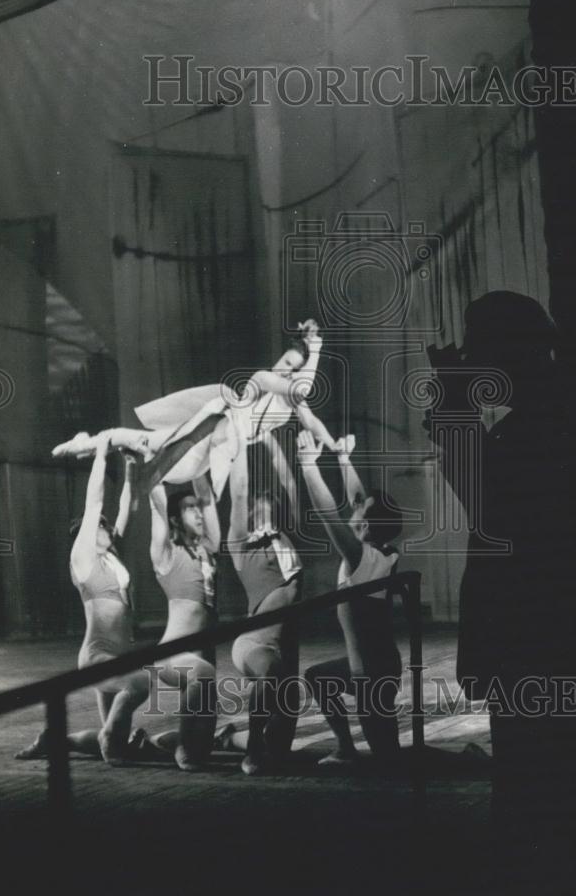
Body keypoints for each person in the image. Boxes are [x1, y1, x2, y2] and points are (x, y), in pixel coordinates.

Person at [427, 291, 576, 817]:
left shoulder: (537, 426)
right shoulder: (545, 414)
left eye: (478, 351)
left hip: (533, 635)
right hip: (542, 635)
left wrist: (455, 413)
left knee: (531, 787)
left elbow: (492, 512)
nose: (470, 363)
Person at [52, 320, 339, 498]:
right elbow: (301, 387)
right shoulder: (266, 378)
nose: (283, 368)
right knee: (147, 448)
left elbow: (311, 421)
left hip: (218, 448)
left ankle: (90, 444)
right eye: (284, 361)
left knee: (157, 457)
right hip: (213, 426)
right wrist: (315, 345)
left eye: (291, 367)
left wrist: (332, 445)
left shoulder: (292, 401)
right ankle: (85, 444)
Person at [16, 433, 149, 765]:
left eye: (104, 527)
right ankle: (109, 741)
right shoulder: (83, 560)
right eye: (99, 528)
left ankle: (56, 740)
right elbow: (95, 504)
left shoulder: (111, 558)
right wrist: (101, 453)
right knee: (139, 687)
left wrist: (131, 466)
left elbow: (128, 507)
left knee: (111, 732)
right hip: (97, 655)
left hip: (120, 654)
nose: (105, 528)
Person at [298, 430, 404, 766]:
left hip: (373, 671)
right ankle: (345, 747)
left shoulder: (363, 557)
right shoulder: (377, 551)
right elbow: (359, 499)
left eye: (362, 511)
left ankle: (467, 762)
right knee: (319, 677)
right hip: (371, 665)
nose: (355, 508)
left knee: (389, 757)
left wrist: (308, 466)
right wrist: (345, 460)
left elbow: (329, 512)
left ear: (369, 526)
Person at [223, 437, 304, 775]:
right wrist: (240, 441)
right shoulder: (241, 548)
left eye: (270, 508)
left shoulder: (286, 540)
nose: (265, 512)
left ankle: (230, 740)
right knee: (271, 678)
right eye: (259, 509)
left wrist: (271, 442)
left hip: (285, 647)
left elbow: (289, 485)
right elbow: (239, 492)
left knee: (283, 742)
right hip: (255, 644)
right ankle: (252, 745)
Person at [148, 473, 220, 771]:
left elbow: (207, 496)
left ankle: (157, 743)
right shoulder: (167, 555)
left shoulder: (207, 551)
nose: (198, 511)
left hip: (203, 659)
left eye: (197, 507)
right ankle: (181, 746)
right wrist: (156, 468)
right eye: (189, 508)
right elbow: (158, 506)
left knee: (205, 742)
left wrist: (201, 458)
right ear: (175, 520)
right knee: (203, 674)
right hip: (172, 656)